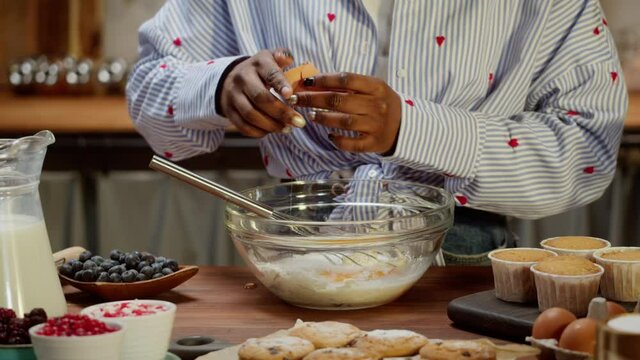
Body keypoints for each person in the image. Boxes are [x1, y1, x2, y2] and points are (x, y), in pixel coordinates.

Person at [127, 0, 628, 264]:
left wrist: (414, 130)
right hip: (290, 247)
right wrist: (218, 86)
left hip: (461, 258)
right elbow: (148, 91)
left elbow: (588, 149)